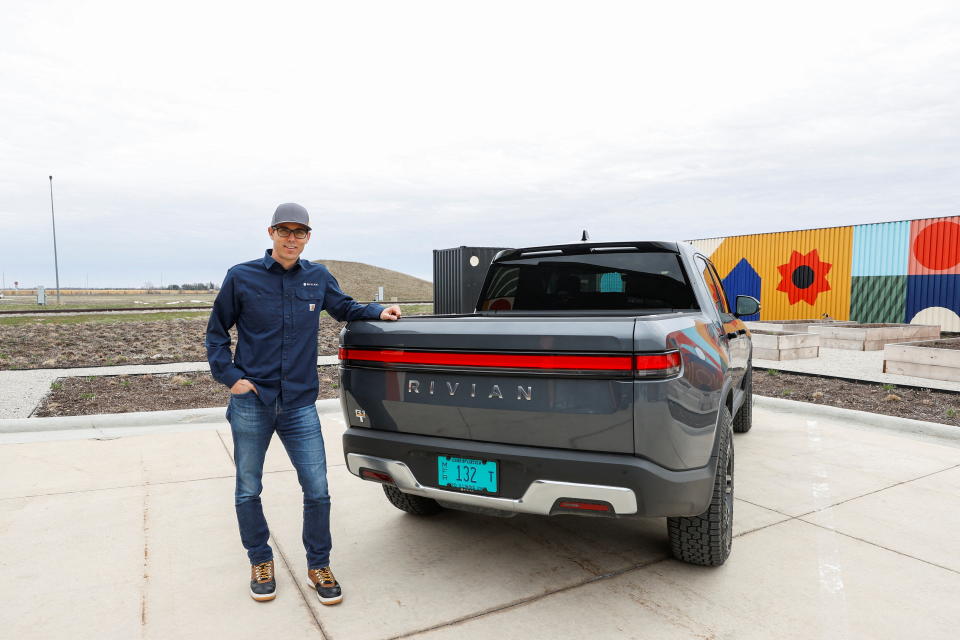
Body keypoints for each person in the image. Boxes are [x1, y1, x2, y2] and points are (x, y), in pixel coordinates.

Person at [205, 202, 401, 605]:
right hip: (252, 401)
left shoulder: (316, 277)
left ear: (308, 236)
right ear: (271, 233)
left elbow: (344, 308)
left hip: (299, 404)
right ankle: (260, 559)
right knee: (247, 488)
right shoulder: (241, 277)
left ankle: (318, 565)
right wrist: (231, 379)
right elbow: (216, 334)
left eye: (299, 232)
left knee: (317, 490)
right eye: (284, 231)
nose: (291, 238)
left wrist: (379, 309)